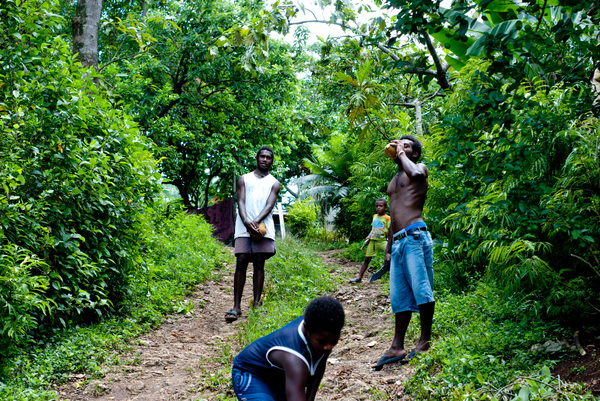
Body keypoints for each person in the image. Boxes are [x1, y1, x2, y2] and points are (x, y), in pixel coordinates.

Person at [373, 135, 434, 370]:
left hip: (415, 236)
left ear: (414, 153)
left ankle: (425, 341)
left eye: (406, 145)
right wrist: (388, 249)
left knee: (421, 289)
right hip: (398, 242)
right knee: (399, 296)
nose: (400, 146)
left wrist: (400, 152)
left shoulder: (419, 168)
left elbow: (417, 175)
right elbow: (394, 216)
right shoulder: (394, 179)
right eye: (398, 143)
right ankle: (397, 346)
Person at [231, 296, 345, 401]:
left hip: (280, 378)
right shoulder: (294, 357)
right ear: (306, 329)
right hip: (252, 374)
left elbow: (318, 367)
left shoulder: (321, 329)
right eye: (322, 342)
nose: (328, 347)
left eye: (334, 341)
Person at [225, 146, 281, 322]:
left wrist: (255, 222)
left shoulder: (274, 183)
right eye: (262, 156)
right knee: (241, 261)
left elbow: (269, 205)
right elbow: (240, 201)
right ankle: (236, 307)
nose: (265, 159)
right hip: (243, 226)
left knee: (259, 262)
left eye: (268, 157)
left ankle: (256, 304)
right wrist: (247, 222)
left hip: (263, 226)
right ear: (256, 158)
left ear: (271, 161)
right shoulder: (244, 179)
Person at [349, 198, 391, 283]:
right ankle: (359, 278)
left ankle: (385, 274)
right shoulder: (374, 217)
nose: (378, 208)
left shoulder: (387, 218)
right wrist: (369, 236)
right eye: (377, 206)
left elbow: (390, 231)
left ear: (386, 208)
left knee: (390, 256)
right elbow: (373, 228)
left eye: (380, 206)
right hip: (372, 241)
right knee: (366, 259)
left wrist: (390, 240)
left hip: (383, 241)